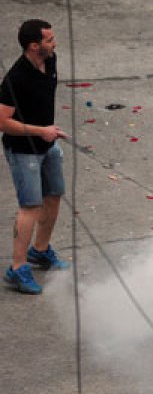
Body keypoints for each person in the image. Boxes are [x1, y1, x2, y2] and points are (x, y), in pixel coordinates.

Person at [1, 20, 71, 295]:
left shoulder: (50, 61)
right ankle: (17, 269)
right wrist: (41, 131)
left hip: (47, 144)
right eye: (50, 39)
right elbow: (3, 122)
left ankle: (40, 251)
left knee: (53, 194)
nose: (55, 43)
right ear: (34, 46)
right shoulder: (15, 79)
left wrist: (47, 133)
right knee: (30, 205)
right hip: (23, 150)